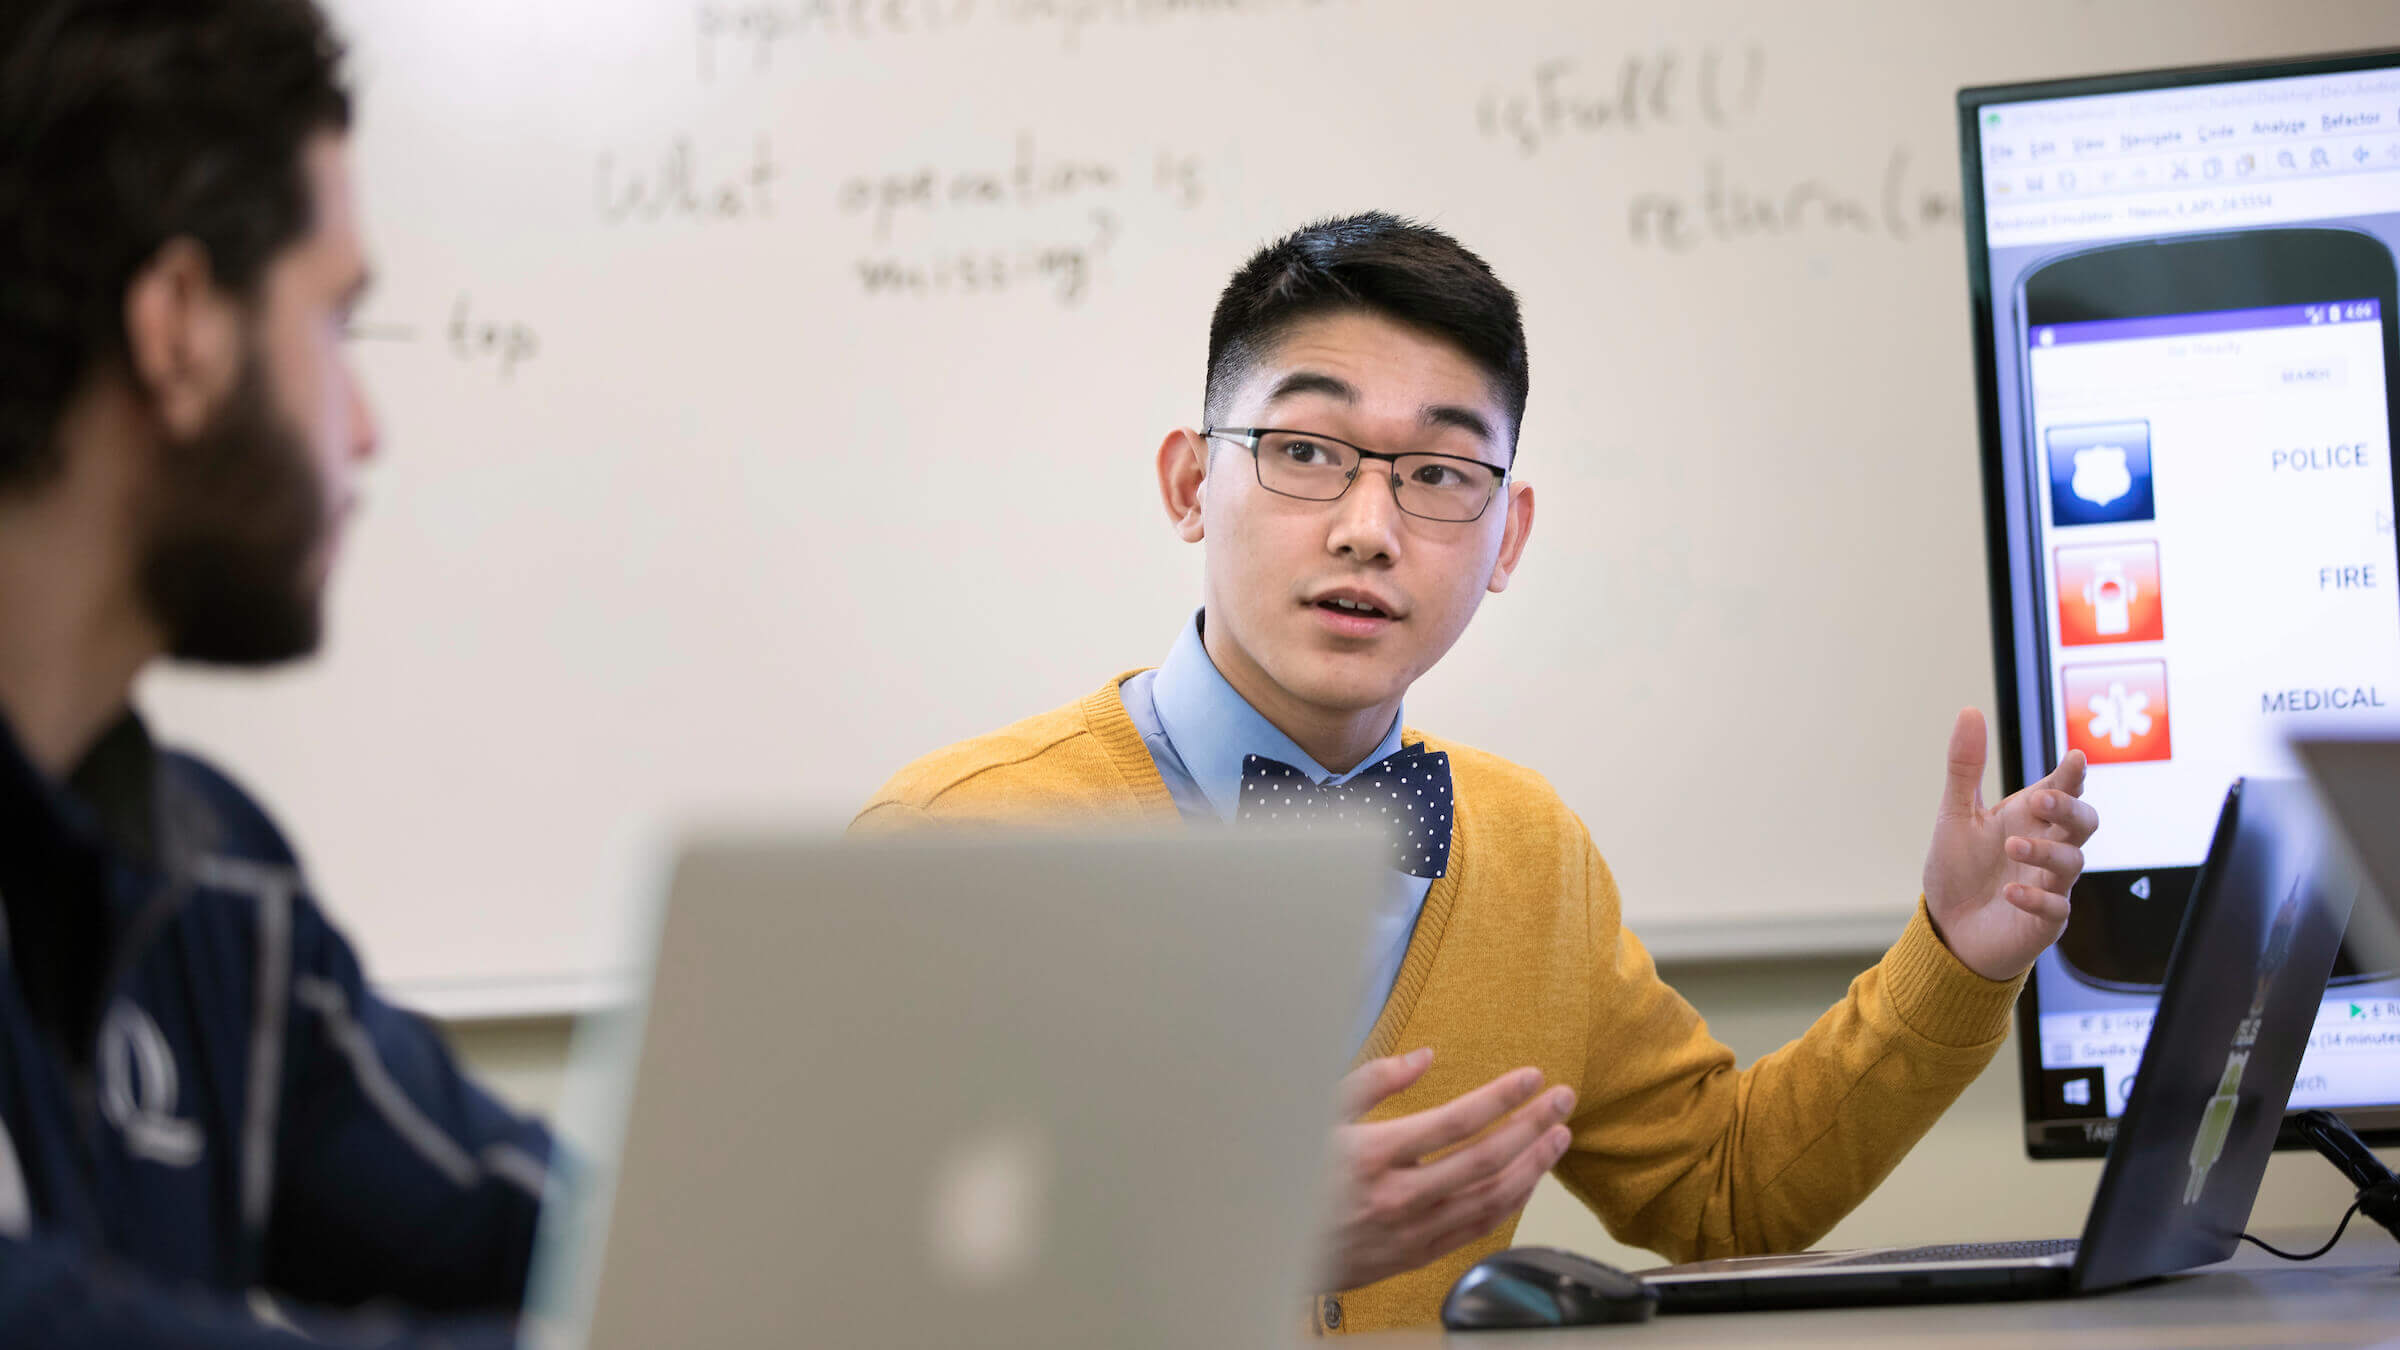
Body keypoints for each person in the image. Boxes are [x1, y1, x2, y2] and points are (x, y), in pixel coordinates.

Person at [854, 213, 2097, 1334]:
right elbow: (830, 1282)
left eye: (1440, 475)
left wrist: (1959, 953)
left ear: (1507, 537)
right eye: (1304, 450)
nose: (1366, 526)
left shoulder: (1525, 847)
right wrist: (1227, 1233)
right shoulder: (957, 841)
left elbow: (1727, 1197)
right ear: (1190, 483)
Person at [0, 2, 553, 1344]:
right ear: (178, 324)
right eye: (337, 323)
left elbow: (548, 1227)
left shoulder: (213, 884)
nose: (366, 427)